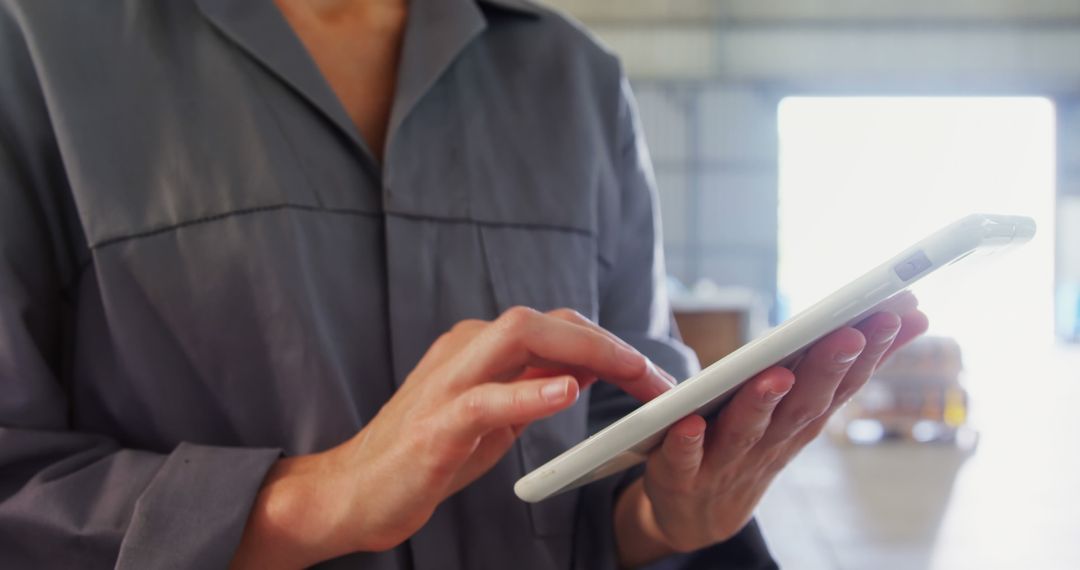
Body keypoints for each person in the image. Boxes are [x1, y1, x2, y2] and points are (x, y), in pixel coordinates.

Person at [0, 0, 929, 568]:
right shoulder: (32, 52)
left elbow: (611, 467)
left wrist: (670, 514)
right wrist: (317, 497)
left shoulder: (573, 80)